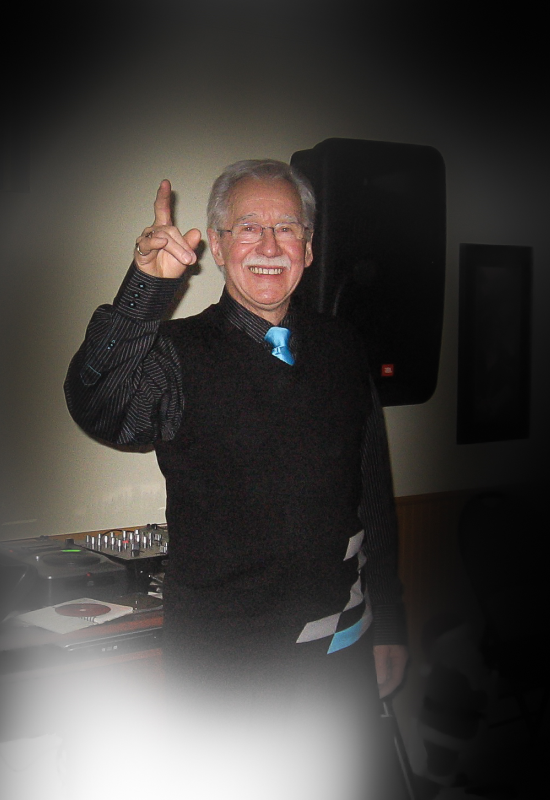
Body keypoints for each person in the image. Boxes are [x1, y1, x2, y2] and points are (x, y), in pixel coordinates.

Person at [64, 159, 409, 797]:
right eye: (249, 228)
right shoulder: (177, 354)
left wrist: (389, 622)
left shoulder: (342, 345)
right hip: (230, 671)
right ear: (218, 248)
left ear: (309, 248)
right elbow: (102, 407)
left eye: (288, 228)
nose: (270, 246)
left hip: (343, 653)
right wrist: (144, 290)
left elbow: (371, 491)